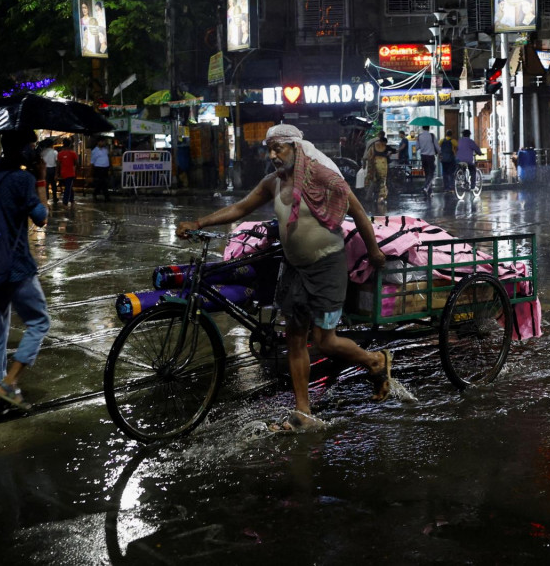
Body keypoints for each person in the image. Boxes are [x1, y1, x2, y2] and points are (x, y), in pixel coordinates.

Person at [176, 124, 391, 431]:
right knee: (295, 339)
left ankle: (375, 361)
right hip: (294, 270)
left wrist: (374, 251)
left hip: (328, 268)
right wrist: (198, 221)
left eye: (279, 148)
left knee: (325, 340)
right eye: (270, 149)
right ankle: (303, 412)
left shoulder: (322, 177)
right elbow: (239, 207)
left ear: (296, 148)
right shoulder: (272, 183)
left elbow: (356, 210)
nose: (273, 155)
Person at [0, 130, 50, 412]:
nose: (33, 151)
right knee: (40, 321)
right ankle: (9, 382)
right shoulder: (23, 179)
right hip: (16, 264)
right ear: (22, 150)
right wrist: (41, 178)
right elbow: (42, 218)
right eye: (31, 146)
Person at [365, 132, 392, 202]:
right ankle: (381, 197)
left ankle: (369, 197)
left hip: (374, 165)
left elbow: (368, 155)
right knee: (382, 181)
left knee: (373, 181)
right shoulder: (384, 145)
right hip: (383, 165)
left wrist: (366, 163)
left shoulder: (372, 143)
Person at [416, 124, 438, 197]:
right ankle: (425, 187)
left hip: (423, 157)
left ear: (422, 128)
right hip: (430, 157)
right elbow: (437, 146)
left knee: (427, 174)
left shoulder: (419, 136)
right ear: (428, 128)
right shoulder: (432, 136)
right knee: (431, 174)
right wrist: (440, 153)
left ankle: (429, 191)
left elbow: (417, 147)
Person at [57, 138, 78, 207]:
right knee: (68, 187)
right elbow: (76, 163)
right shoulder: (73, 153)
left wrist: (57, 174)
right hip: (71, 173)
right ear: (70, 144)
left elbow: (58, 165)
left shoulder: (60, 154)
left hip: (63, 173)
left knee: (69, 186)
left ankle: (71, 200)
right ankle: (65, 202)